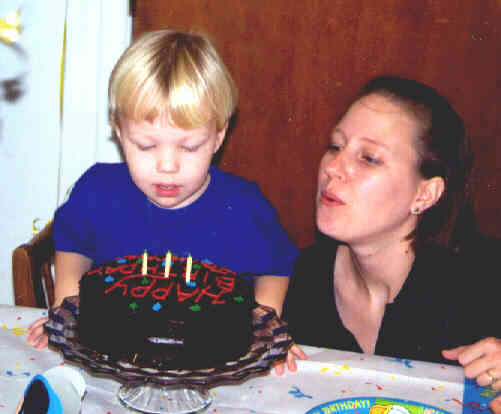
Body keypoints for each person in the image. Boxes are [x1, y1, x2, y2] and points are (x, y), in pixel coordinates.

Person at [27, 29, 298, 348]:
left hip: (210, 353)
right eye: (146, 145)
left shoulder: (245, 208)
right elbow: (73, 246)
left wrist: (263, 323)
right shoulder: (96, 192)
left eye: (189, 147)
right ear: (119, 131)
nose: (167, 166)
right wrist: (68, 310)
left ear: (218, 136)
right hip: (116, 348)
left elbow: (277, 267)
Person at [279, 76, 501, 410]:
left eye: (369, 158)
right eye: (336, 146)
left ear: (425, 194)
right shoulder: (300, 279)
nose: (333, 168)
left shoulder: (486, 282)